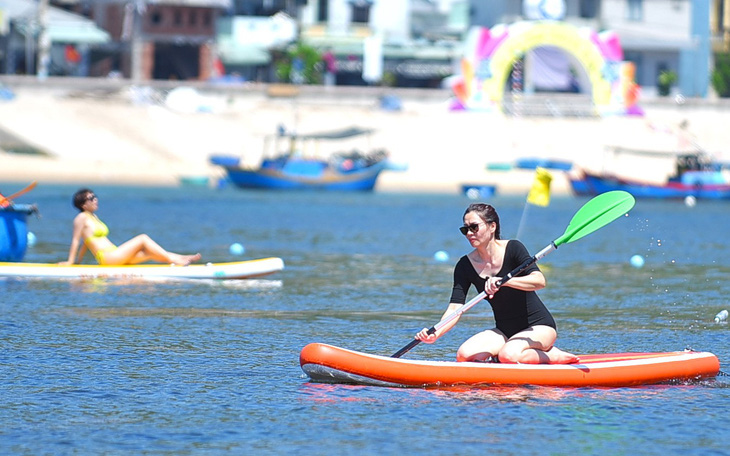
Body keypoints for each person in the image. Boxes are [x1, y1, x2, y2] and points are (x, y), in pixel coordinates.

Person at [416, 203, 578, 364]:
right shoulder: (464, 265)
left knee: (508, 356)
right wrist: (435, 332)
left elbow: (539, 281)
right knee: (464, 356)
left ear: (492, 226)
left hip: (539, 327)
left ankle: (553, 356)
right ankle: (508, 355)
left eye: (474, 227)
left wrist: (506, 281)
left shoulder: (514, 248)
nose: (469, 233)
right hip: (504, 331)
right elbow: (455, 308)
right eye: (465, 229)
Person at [60, 188, 201, 266]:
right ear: (83, 205)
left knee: (150, 253)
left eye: (95, 196)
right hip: (108, 258)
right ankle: (176, 260)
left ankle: (181, 257)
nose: (95, 199)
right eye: (91, 198)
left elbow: (87, 242)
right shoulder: (80, 218)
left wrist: (80, 261)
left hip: (115, 254)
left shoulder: (93, 218)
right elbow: (76, 240)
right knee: (143, 239)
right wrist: (71, 262)